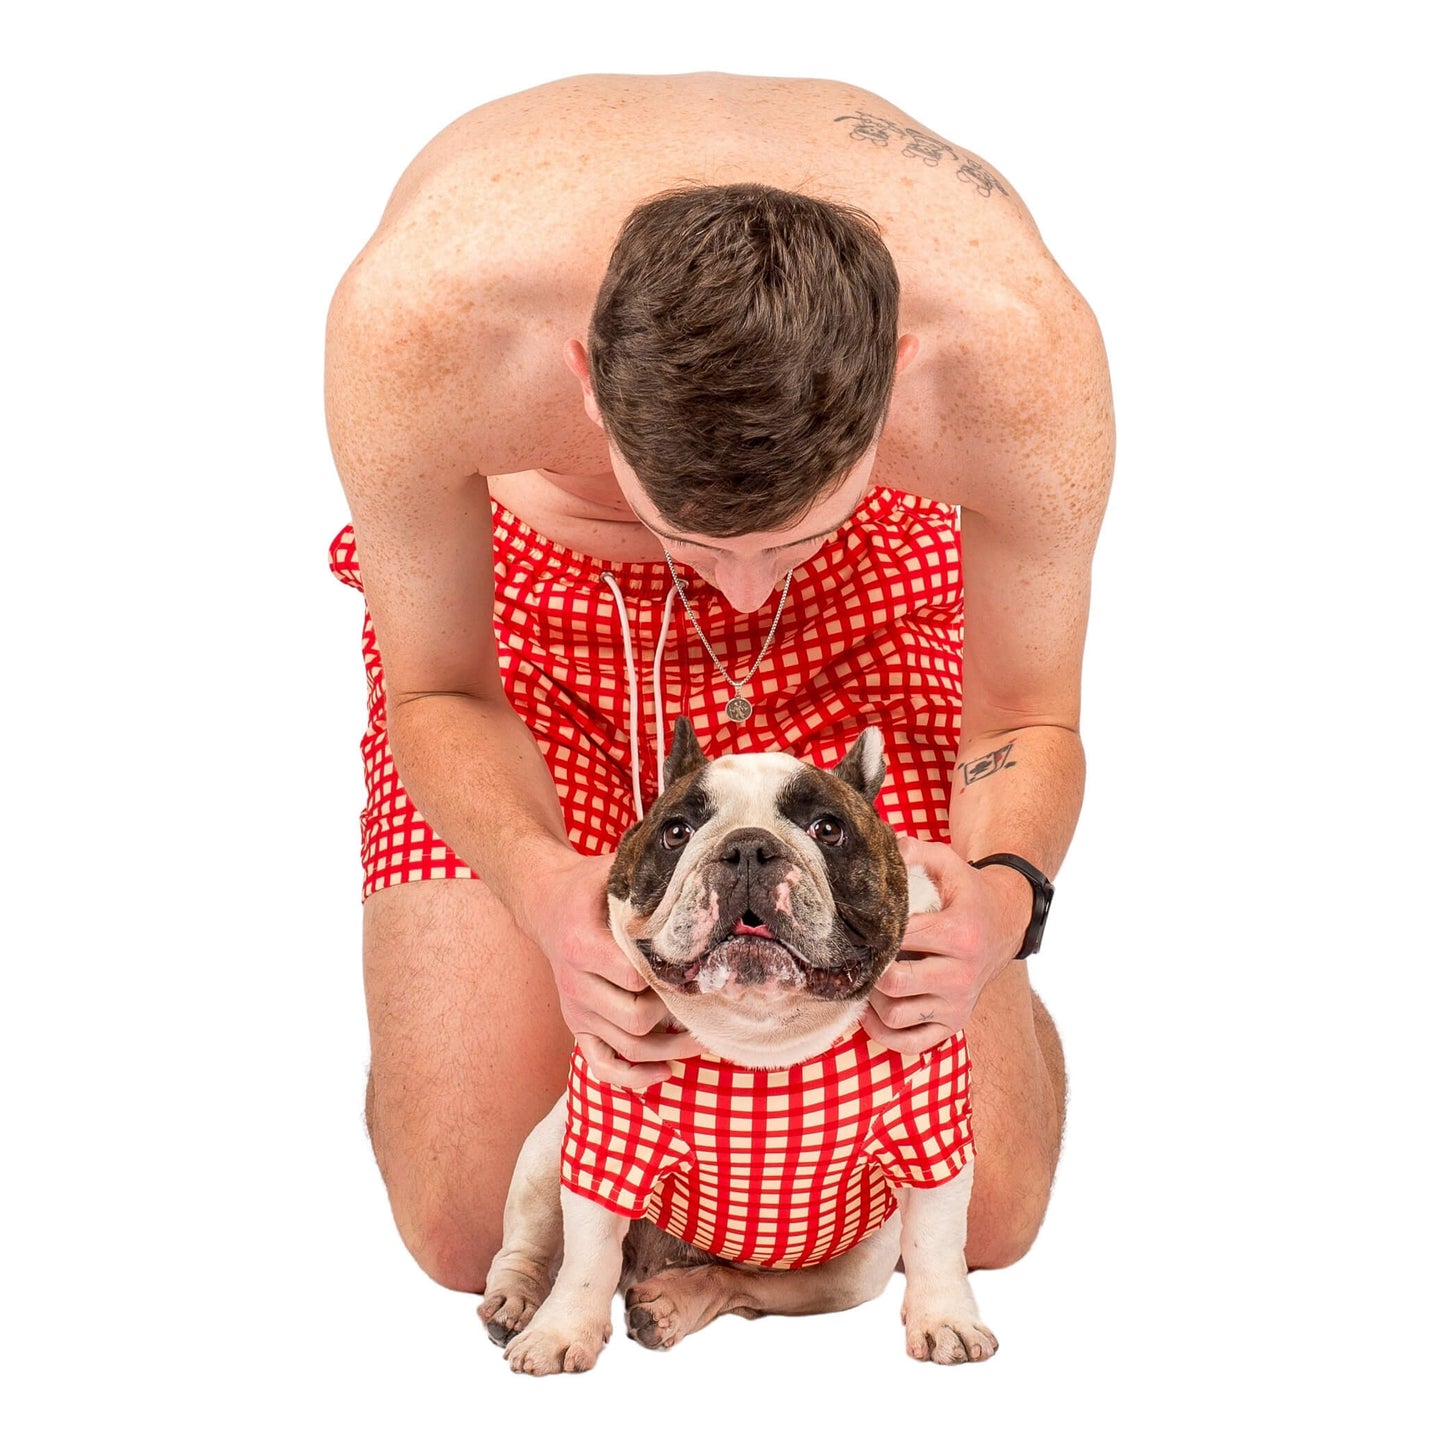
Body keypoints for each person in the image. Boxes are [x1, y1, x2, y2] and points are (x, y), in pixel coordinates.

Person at [324, 73, 1113, 1294]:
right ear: (584, 385)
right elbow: (438, 686)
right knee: (470, 1221)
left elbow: (1023, 714)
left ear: (896, 380)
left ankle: (991, 1029)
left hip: (869, 595)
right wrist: (540, 886)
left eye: (779, 545)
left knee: (986, 1207)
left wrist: (1001, 904)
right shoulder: (425, 321)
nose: (739, 595)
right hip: (541, 606)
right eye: (696, 543)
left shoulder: (1016, 350)